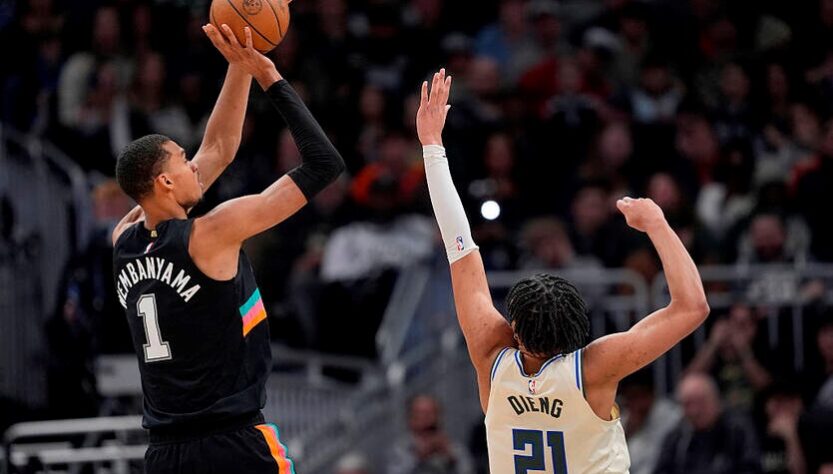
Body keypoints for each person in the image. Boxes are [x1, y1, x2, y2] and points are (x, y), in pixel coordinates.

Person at [415, 68, 710, 473]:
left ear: (514, 329)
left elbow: (458, 245)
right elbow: (692, 306)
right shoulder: (594, 369)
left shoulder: (492, 357)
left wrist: (432, 145)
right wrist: (657, 224)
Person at [111, 24, 344, 473]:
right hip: (232, 443)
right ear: (165, 181)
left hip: (164, 454)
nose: (195, 164)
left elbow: (218, 149)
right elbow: (323, 163)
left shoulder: (123, 238)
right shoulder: (213, 232)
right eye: (184, 159)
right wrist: (268, 75)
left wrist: (239, 64)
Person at [654, 373, 762, 474]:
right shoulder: (676, 437)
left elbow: (751, 468)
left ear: (716, 400)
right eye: (687, 404)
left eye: (700, 402)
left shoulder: (738, 430)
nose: (694, 411)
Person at [387, 394, 475, 474]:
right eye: (422, 413)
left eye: (432, 412)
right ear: (411, 418)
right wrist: (419, 457)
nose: (427, 418)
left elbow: (469, 470)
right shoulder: (400, 450)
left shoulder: (453, 448)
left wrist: (452, 458)